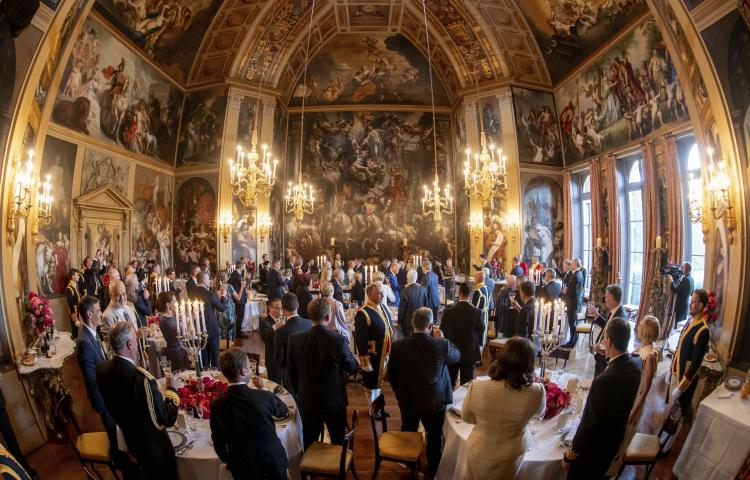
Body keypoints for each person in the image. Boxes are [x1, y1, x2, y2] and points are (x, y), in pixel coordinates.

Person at [97, 322, 180, 480]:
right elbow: (167, 419)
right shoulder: (142, 380)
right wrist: (172, 391)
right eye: (136, 340)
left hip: (131, 441)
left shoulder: (102, 368)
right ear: (130, 344)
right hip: (154, 453)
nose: (137, 344)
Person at [563, 317, 641, 479]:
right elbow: (617, 371)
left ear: (608, 341)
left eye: (605, 337)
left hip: (592, 451)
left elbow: (588, 425)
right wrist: (607, 354)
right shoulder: (636, 366)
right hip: (613, 442)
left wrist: (570, 454)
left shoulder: (602, 382)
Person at [462, 337, 546, 479]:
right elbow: (539, 413)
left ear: (502, 357)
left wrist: (486, 422)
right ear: (529, 363)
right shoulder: (537, 391)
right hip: (512, 454)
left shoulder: (477, 386)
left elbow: (466, 417)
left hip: (479, 449)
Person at [388, 308, 460, 471]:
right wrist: (443, 338)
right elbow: (457, 356)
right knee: (434, 436)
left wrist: (399, 394)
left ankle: (409, 464)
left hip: (408, 400)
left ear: (412, 323)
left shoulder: (398, 345)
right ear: (430, 326)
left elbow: (391, 374)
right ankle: (433, 467)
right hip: (433, 401)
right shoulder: (440, 344)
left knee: (408, 432)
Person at [287, 298, 359, 449]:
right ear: (328, 317)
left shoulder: (295, 340)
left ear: (309, 315)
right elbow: (352, 367)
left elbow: (291, 372)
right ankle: (337, 464)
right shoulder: (338, 340)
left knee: (309, 441)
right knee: (337, 440)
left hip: (307, 399)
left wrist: (298, 393)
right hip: (333, 399)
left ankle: (309, 464)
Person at [210, 348, 289, 480]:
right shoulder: (263, 396)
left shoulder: (217, 404)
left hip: (243, 469)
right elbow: (283, 410)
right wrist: (263, 389)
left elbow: (218, 442)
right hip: (273, 462)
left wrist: (231, 461)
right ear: (243, 371)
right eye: (249, 367)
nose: (251, 370)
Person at [76, 295, 120, 467]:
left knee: (117, 435)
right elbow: (91, 380)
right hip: (104, 399)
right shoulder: (85, 343)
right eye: (98, 311)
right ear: (89, 314)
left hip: (108, 395)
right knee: (115, 436)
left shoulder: (91, 334)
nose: (101, 313)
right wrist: (104, 407)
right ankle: (120, 464)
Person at [670, 289, 711, 418]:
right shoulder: (690, 320)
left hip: (684, 380)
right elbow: (680, 348)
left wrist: (681, 387)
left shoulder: (703, 330)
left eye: (693, 302)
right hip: (676, 372)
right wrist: (671, 369)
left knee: (679, 414)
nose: (690, 304)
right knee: (672, 410)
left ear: (700, 305)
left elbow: (696, 364)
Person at [355, 283, 394, 405]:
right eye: (378, 293)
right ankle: (372, 408)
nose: (382, 295)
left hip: (385, 354)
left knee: (379, 383)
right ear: (369, 295)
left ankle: (376, 407)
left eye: (383, 293)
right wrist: (365, 361)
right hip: (374, 355)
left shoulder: (383, 308)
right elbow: (360, 339)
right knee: (372, 384)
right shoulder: (363, 312)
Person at [440, 283, 484, 388]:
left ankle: (450, 397)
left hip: (452, 351)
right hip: (469, 352)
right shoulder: (477, 312)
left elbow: (442, 331)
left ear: (459, 293)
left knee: (450, 383)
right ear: (471, 295)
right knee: (466, 384)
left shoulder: (448, 312)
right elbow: (481, 329)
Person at [273, 293, 312, 391]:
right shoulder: (310, 324)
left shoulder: (280, 332)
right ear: (298, 305)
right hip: (310, 371)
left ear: (283, 309)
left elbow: (279, 361)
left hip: (291, 376)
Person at [586, 284, 626, 377]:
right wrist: (596, 314)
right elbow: (607, 326)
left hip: (605, 360)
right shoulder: (615, 311)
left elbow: (615, 345)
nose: (605, 299)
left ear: (611, 298)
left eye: (606, 296)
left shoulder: (620, 317)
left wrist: (600, 349)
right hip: (601, 357)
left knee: (600, 382)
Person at [631, 315, 661, 434]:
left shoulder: (649, 358)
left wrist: (634, 412)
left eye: (640, 326)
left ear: (646, 332)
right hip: (634, 389)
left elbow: (645, 389)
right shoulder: (644, 347)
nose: (637, 327)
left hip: (638, 396)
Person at [191, 271, 228, 368]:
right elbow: (222, 308)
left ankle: (205, 372)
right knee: (215, 355)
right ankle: (216, 372)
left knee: (203, 355)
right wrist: (223, 296)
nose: (210, 281)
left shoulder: (192, 292)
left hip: (198, 327)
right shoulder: (209, 294)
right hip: (211, 327)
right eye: (208, 279)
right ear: (203, 281)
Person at [157, 291, 190, 371]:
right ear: (168, 305)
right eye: (174, 301)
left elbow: (185, 332)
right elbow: (180, 336)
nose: (177, 303)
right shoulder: (164, 320)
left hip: (181, 350)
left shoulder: (173, 316)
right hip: (175, 354)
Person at [259, 297, 283, 384]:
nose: (280, 311)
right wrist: (275, 327)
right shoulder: (264, 322)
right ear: (270, 308)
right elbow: (265, 337)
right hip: (273, 360)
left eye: (281, 308)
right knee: (274, 384)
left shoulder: (284, 319)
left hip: (284, 359)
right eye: (276, 308)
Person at [398, 269, 427, 338]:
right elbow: (426, 305)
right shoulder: (423, 289)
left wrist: (399, 322)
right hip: (421, 320)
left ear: (407, 278)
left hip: (407, 323)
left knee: (408, 341)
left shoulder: (404, 291)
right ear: (416, 278)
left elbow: (401, 310)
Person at [561, 260, 583, 348]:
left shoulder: (576, 275)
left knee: (572, 323)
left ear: (576, 265)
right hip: (575, 302)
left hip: (573, 303)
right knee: (572, 323)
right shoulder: (579, 273)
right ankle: (574, 339)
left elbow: (574, 291)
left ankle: (572, 342)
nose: (571, 265)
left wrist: (566, 290)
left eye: (572, 264)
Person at [670, 262, 694, 327]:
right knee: (682, 326)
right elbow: (692, 293)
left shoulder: (685, 279)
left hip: (681, 306)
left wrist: (671, 280)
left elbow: (675, 290)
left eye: (683, 267)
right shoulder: (691, 279)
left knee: (678, 326)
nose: (681, 268)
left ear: (686, 269)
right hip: (686, 306)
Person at [228, 260, 248, 338]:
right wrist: (247, 278)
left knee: (239, 316)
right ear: (242, 266)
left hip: (238, 297)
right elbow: (243, 284)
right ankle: (238, 333)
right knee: (240, 316)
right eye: (244, 266)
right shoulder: (236, 274)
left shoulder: (236, 273)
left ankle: (237, 332)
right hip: (239, 298)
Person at [471, 270, 491, 346]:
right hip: (485, 315)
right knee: (483, 335)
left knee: (478, 338)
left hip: (478, 317)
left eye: (475, 277)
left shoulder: (478, 291)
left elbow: (474, 308)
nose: (474, 279)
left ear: (478, 279)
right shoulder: (488, 289)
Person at [66, 269, 82, 338]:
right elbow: (71, 305)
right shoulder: (69, 289)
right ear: (72, 276)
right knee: (75, 332)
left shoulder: (76, 286)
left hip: (79, 312)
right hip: (74, 313)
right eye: (77, 275)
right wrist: (75, 319)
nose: (79, 277)